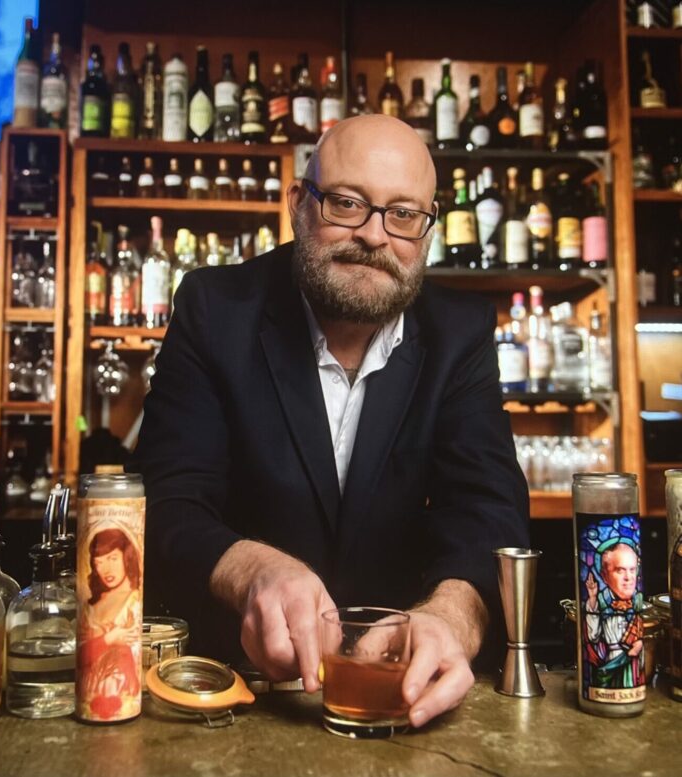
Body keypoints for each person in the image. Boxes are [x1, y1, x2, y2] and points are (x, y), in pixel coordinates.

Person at [131, 114, 530, 727]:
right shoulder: (215, 309)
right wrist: (251, 569)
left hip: (400, 695)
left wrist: (451, 615)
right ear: (299, 204)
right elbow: (165, 497)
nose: (375, 235)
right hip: (233, 698)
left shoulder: (460, 333)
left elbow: (489, 510)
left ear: (427, 229)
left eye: (403, 215)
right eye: (347, 203)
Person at [77, 528, 142, 720]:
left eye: (113, 558)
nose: (106, 569)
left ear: (126, 557)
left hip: (120, 693)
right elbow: (81, 656)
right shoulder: (92, 603)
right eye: (99, 562)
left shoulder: (134, 601)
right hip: (86, 692)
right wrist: (109, 639)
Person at [584, 542, 644, 689]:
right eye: (620, 570)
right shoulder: (600, 604)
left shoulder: (638, 603)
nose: (628, 577)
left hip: (634, 664)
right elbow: (593, 637)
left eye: (632, 570)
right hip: (611, 663)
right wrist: (592, 599)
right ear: (604, 576)